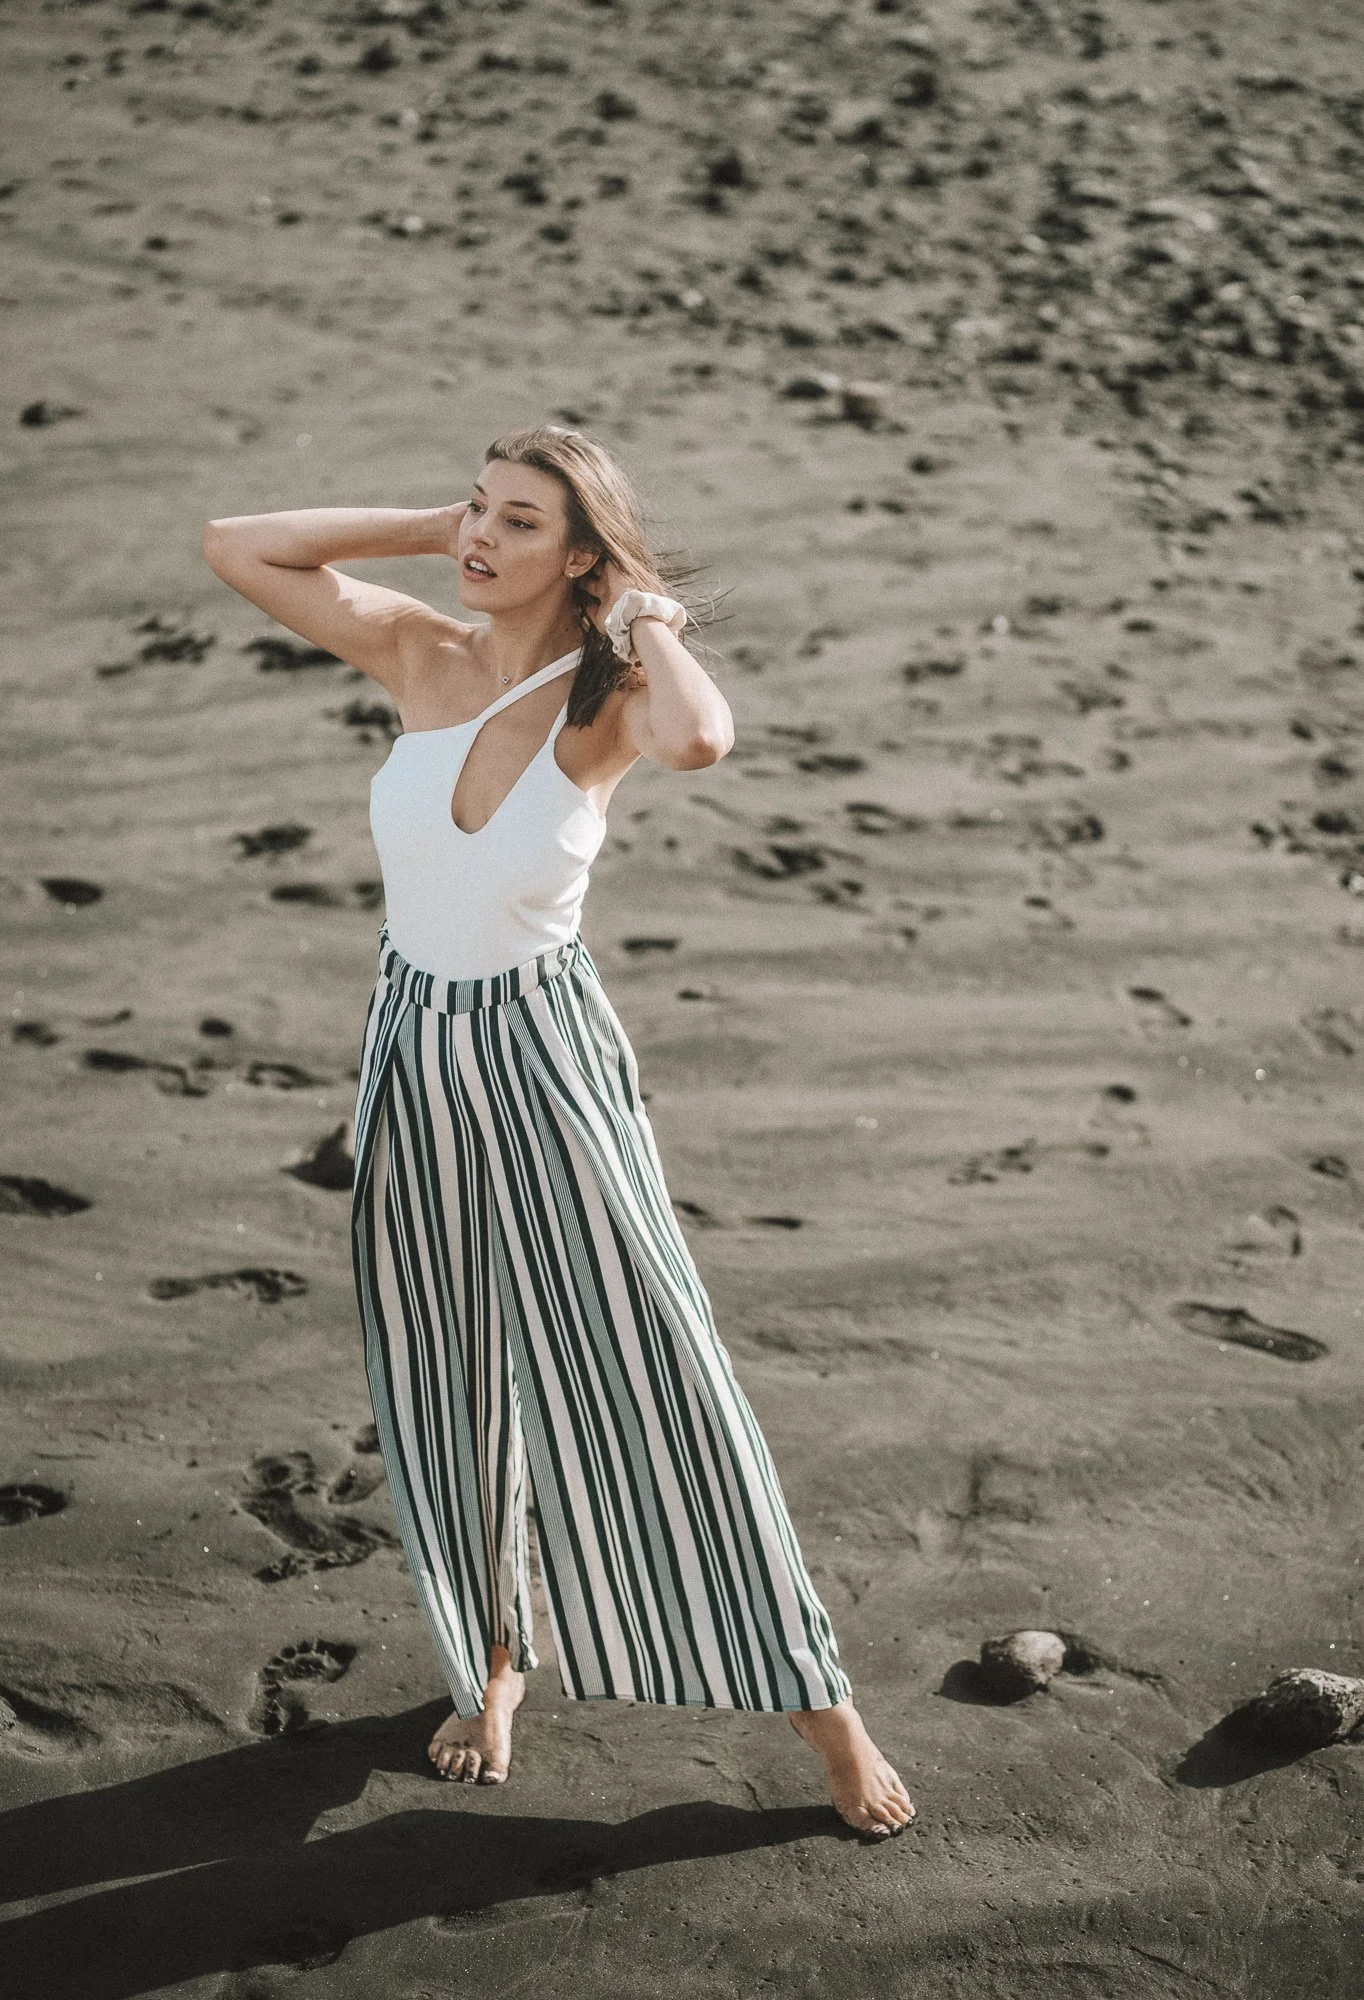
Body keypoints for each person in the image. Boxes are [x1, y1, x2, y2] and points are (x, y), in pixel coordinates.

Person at [202, 426, 915, 1839]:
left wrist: (639, 614)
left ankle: (824, 1712)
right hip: (414, 1048)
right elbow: (238, 544)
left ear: (583, 554)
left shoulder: (605, 697)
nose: (479, 539)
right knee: (451, 1369)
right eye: (478, 508)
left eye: (517, 523)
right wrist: (439, 524)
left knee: (660, 1370)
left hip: (544, 1054)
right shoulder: (420, 651)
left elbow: (704, 740)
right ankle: (496, 1661)